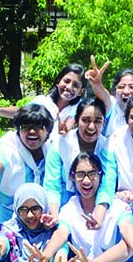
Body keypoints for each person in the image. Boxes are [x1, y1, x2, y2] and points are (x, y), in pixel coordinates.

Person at [0, 103, 54, 225]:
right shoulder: (6, 148)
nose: (32, 131)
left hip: (36, 219)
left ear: (48, 131)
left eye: (38, 127)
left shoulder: (51, 150)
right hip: (0, 217)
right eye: (26, 127)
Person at [43, 97, 116, 226]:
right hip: (64, 205)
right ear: (76, 120)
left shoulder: (108, 147)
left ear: (104, 123)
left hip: (98, 204)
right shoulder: (60, 144)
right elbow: (52, 185)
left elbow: (107, 184)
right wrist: (54, 215)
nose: (91, 126)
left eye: (97, 121)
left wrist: (98, 216)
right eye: (86, 120)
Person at [0, 64, 86, 140]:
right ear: (58, 82)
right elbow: (21, 112)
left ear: (82, 91)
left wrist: (67, 128)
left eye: (76, 85)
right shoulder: (43, 101)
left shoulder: (82, 108)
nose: (69, 87)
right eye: (66, 81)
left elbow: (76, 121)